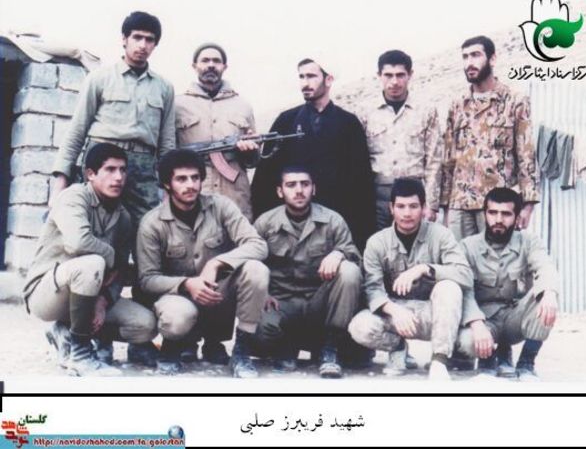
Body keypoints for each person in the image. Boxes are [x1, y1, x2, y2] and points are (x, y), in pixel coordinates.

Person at [23, 144, 157, 376]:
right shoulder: (73, 197)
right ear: (90, 174)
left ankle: (66, 332)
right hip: (47, 293)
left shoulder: (123, 217)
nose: (118, 177)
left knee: (145, 325)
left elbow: (119, 272)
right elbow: (79, 243)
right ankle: (81, 355)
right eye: (110, 169)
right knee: (93, 263)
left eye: (123, 170)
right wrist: (111, 258)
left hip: (89, 294)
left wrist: (103, 302)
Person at [136, 149, 268, 377]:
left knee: (256, 270)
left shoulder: (221, 206)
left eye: (195, 178)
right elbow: (147, 280)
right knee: (178, 316)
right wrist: (187, 284)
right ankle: (172, 347)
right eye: (181, 179)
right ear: (167, 184)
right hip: (179, 298)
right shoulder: (152, 223)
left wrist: (217, 262)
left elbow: (258, 245)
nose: (190, 185)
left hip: (218, 294)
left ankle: (241, 351)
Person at [51, 11, 175, 231]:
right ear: (124, 39)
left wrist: (168, 189)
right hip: (102, 160)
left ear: (155, 45)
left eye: (149, 40)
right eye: (137, 37)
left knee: (148, 229)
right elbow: (77, 131)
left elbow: (166, 143)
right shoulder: (99, 78)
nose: (142, 45)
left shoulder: (164, 87)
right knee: (94, 225)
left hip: (142, 166)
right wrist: (60, 183)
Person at [348, 178, 474, 380]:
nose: (407, 213)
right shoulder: (377, 242)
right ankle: (398, 348)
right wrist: (394, 310)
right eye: (401, 206)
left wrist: (424, 269)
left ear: (423, 208)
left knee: (466, 329)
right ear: (391, 208)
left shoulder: (441, 235)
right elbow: (372, 289)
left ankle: (440, 359)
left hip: (435, 313)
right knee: (360, 327)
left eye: (413, 206)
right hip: (396, 314)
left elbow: (465, 275)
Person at [251, 56, 376, 252]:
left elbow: (361, 184)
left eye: (311, 76)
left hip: (336, 225)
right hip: (291, 227)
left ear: (329, 79)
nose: (305, 83)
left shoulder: (348, 123)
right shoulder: (286, 121)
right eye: (301, 77)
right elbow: (265, 178)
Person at [253, 166, 362, 378]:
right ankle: (287, 345)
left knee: (349, 271)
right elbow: (250, 262)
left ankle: (330, 346)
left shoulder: (332, 220)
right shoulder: (265, 223)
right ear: (280, 191)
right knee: (260, 335)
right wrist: (262, 292)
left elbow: (355, 257)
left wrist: (339, 254)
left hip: (318, 303)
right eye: (291, 185)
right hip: (281, 302)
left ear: (314, 189)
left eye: (305, 184)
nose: (299, 190)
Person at [440, 35, 539, 241]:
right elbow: (448, 159)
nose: (469, 62)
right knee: (460, 258)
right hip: (461, 204)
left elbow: (526, 154)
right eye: (465, 57)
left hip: (498, 205)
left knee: (497, 259)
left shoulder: (514, 101)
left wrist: (528, 204)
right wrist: (446, 207)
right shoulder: (457, 105)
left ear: (492, 59)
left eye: (475, 55)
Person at [454, 188, 559, 380]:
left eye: (506, 214)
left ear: (517, 217)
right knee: (468, 340)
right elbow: (463, 289)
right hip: (484, 320)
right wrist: (476, 323)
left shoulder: (529, 241)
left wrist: (550, 293)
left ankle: (526, 364)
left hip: (514, 318)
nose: (498, 219)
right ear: (485, 214)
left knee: (546, 294)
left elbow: (545, 266)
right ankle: (486, 362)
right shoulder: (467, 246)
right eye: (492, 212)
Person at [359, 50, 442, 230]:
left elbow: (434, 160)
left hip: (414, 194)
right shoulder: (365, 112)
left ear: (410, 75)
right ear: (379, 75)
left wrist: (431, 204)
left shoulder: (426, 110)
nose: (394, 82)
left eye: (400, 75)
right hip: (378, 196)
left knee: (418, 245)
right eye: (388, 75)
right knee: (378, 243)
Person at [175, 43, 259, 220]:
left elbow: (252, 161)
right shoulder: (178, 105)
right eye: (205, 60)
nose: (211, 65)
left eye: (216, 61)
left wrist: (249, 150)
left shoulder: (242, 105)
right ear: (194, 66)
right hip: (193, 190)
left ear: (224, 67)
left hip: (234, 192)